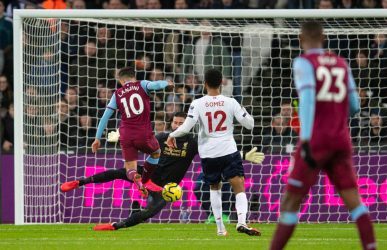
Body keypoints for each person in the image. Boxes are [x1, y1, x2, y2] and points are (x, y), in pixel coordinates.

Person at [269, 21, 376, 250]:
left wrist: (306, 138)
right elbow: (355, 106)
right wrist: (335, 114)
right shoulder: (341, 63)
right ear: (324, 38)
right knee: (354, 202)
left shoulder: (303, 62)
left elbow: (307, 98)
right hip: (341, 138)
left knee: (290, 202)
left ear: (300, 39)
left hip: (316, 139)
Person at [60, 112, 264, 230]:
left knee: (149, 213)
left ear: (187, 124)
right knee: (117, 172)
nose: (177, 125)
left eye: (180, 122)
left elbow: (217, 151)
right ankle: (79, 182)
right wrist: (120, 139)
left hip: (163, 188)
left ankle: (115, 226)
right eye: (174, 122)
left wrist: (244, 156)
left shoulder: (193, 143)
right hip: (146, 175)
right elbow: (139, 144)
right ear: (171, 124)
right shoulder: (161, 137)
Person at [166, 68, 261, 236]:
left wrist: (172, 135)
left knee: (214, 188)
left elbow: (187, 127)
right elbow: (250, 124)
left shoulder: (197, 103)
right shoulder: (231, 102)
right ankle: (241, 222)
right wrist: (243, 111)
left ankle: (220, 229)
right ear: (221, 84)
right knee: (239, 186)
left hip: (209, 154)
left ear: (205, 84)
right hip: (228, 151)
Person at [61, 67, 173, 197]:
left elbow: (105, 117)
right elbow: (157, 84)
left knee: (129, 169)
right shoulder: (141, 84)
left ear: (121, 81)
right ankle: (146, 181)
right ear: (134, 77)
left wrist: (97, 138)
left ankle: (135, 177)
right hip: (143, 133)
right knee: (156, 152)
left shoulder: (117, 93)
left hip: (125, 135)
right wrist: (167, 83)